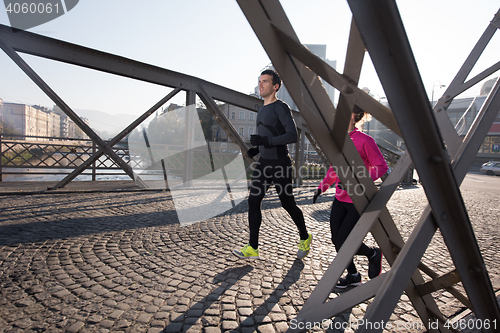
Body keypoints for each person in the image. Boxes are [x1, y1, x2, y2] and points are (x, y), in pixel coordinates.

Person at [233, 69, 312, 260]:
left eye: (265, 82)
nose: (261, 85)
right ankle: (253, 247)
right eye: (259, 81)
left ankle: (305, 236)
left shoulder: (280, 107)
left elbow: (292, 135)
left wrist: (265, 142)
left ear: (275, 86)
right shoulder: (261, 110)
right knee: (253, 201)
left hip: (280, 165)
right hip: (264, 164)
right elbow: (269, 136)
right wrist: (257, 149)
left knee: (287, 203)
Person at [312, 105, 388, 288]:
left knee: (343, 240)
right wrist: (322, 187)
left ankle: (373, 254)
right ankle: (353, 275)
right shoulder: (338, 140)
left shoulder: (364, 140)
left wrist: (357, 180)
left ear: (353, 116)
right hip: (339, 199)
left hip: (357, 201)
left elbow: (381, 167)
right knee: (336, 239)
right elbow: (334, 168)